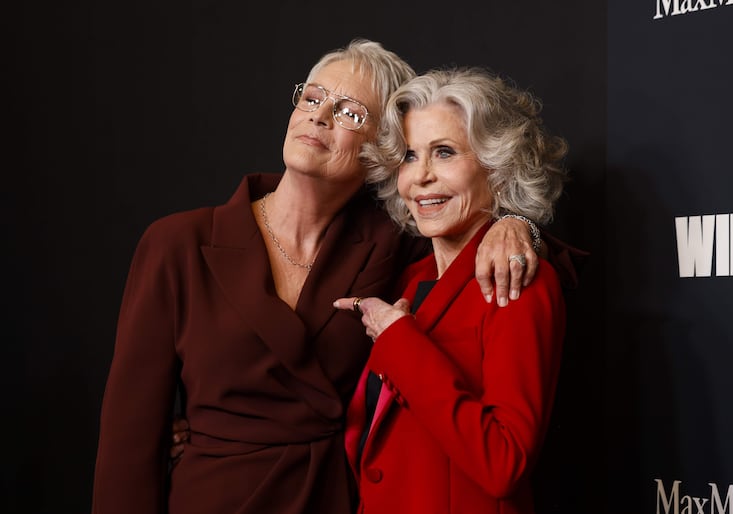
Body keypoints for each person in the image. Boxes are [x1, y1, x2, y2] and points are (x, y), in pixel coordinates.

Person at [91, 40, 546, 514]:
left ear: (382, 152)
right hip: (214, 495)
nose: (319, 116)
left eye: (350, 112)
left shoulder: (396, 243)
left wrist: (516, 225)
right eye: (311, 98)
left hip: (333, 499)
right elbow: (127, 444)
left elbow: (483, 240)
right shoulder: (177, 244)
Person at [334, 67, 568, 514]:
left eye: (443, 153)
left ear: (497, 169)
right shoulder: (414, 278)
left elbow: (504, 463)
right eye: (408, 155)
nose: (419, 176)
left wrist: (400, 340)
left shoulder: (515, 277)